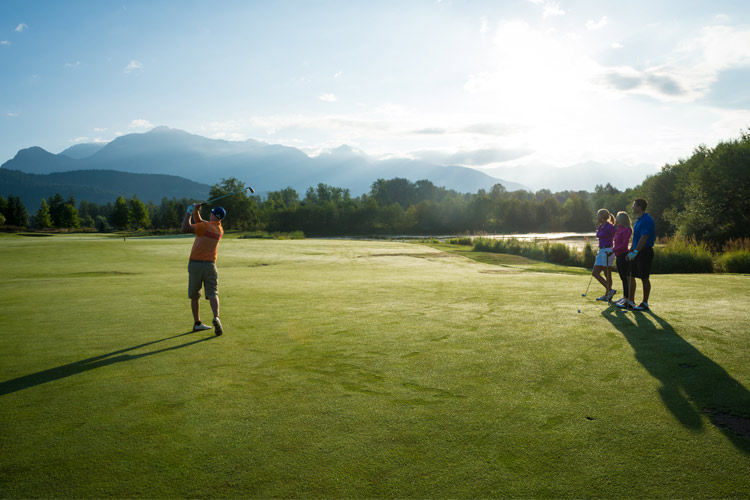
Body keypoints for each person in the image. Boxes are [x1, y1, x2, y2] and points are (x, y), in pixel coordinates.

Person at [182, 203, 225, 335]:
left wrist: (189, 212)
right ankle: (216, 317)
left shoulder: (204, 227)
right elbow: (201, 223)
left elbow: (185, 228)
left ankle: (197, 323)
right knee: (213, 293)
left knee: (195, 295)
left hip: (195, 264)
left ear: (213, 215)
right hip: (210, 265)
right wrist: (197, 211)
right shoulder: (218, 229)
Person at [617, 198, 655, 311]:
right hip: (636, 251)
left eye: (634, 205)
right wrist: (630, 252)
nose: (632, 207)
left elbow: (644, 237)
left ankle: (645, 303)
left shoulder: (646, 220)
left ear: (640, 207)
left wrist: (636, 251)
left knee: (644, 277)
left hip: (645, 251)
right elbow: (636, 239)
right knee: (630, 275)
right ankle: (631, 301)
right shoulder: (638, 220)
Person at [593, 208, 617, 302]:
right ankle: (609, 291)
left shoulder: (610, 227)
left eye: (598, 215)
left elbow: (617, 238)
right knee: (595, 273)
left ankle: (608, 294)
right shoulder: (600, 226)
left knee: (607, 274)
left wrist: (614, 249)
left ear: (602, 217)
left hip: (608, 251)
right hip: (601, 250)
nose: (597, 217)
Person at [612, 211, 633, 307]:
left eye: (617, 217)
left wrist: (613, 250)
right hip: (618, 256)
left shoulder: (626, 230)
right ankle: (624, 297)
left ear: (621, 219)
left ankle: (627, 299)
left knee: (625, 278)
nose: (615, 219)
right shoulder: (619, 229)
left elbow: (624, 245)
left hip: (623, 255)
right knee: (622, 278)